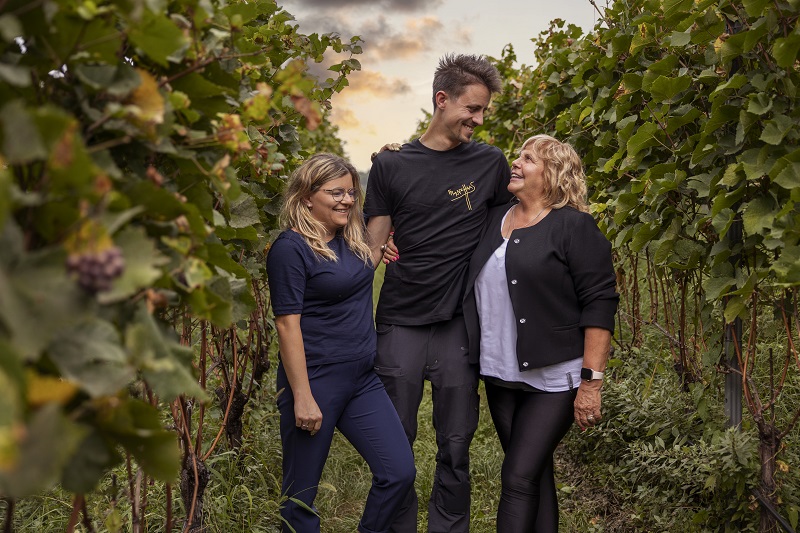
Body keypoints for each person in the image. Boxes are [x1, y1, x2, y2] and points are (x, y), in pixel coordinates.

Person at [364, 53, 512, 532]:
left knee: (456, 444)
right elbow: (371, 247)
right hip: (400, 322)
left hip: (458, 327)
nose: (479, 119)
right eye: (473, 108)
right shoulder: (390, 165)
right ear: (442, 99)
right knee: (394, 445)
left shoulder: (490, 163)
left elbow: (515, 226)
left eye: (483, 110)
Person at [462, 134, 619, 532]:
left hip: (554, 377)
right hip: (500, 372)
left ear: (553, 175)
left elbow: (599, 304)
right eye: (518, 156)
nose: (515, 163)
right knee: (534, 473)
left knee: (517, 477)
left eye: (528, 159)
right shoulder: (493, 218)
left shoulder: (574, 227)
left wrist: (591, 384)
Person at [266, 153, 416, 533]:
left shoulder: (351, 238)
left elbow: (371, 248)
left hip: (362, 379)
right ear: (306, 197)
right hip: (316, 380)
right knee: (300, 496)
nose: (347, 200)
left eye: (351, 193)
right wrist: (302, 396)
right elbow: (287, 324)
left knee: (398, 472)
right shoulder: (291, 249)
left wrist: (389, 164)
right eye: (336, 193)